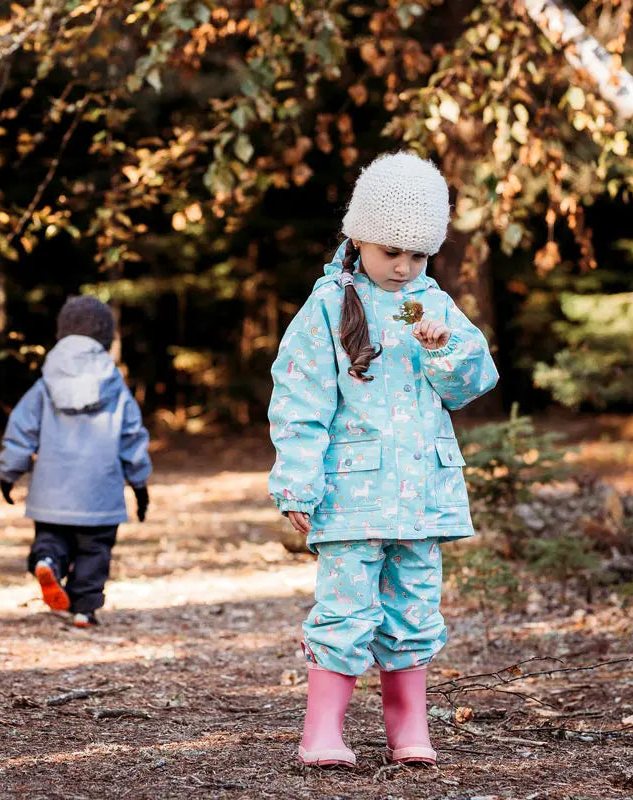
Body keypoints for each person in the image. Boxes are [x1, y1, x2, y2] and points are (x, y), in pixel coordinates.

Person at [268, 152, 499, 768]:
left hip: (422, 495)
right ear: (358, 236)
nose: (403, 267)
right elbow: (300, 398)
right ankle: (322, 732)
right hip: (351, 497)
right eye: (389, 251)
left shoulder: (432, 306)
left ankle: (409, 731)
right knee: (345, 609)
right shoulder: (325, 308)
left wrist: (444, 349)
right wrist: (297, 480)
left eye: (417, 255)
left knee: (415, 609)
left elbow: (472, 382)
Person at [0, 295, 151, 628]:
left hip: (51, 490)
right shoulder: (115, 386)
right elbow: (132, 437)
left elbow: (21, 428)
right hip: (101, 491)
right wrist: (139, 484)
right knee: (95, 551)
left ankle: (48, 561)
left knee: (52, 537)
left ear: (61, 332)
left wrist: (9, 472)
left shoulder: (44, 384)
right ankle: (84, 609)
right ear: (106, 338)